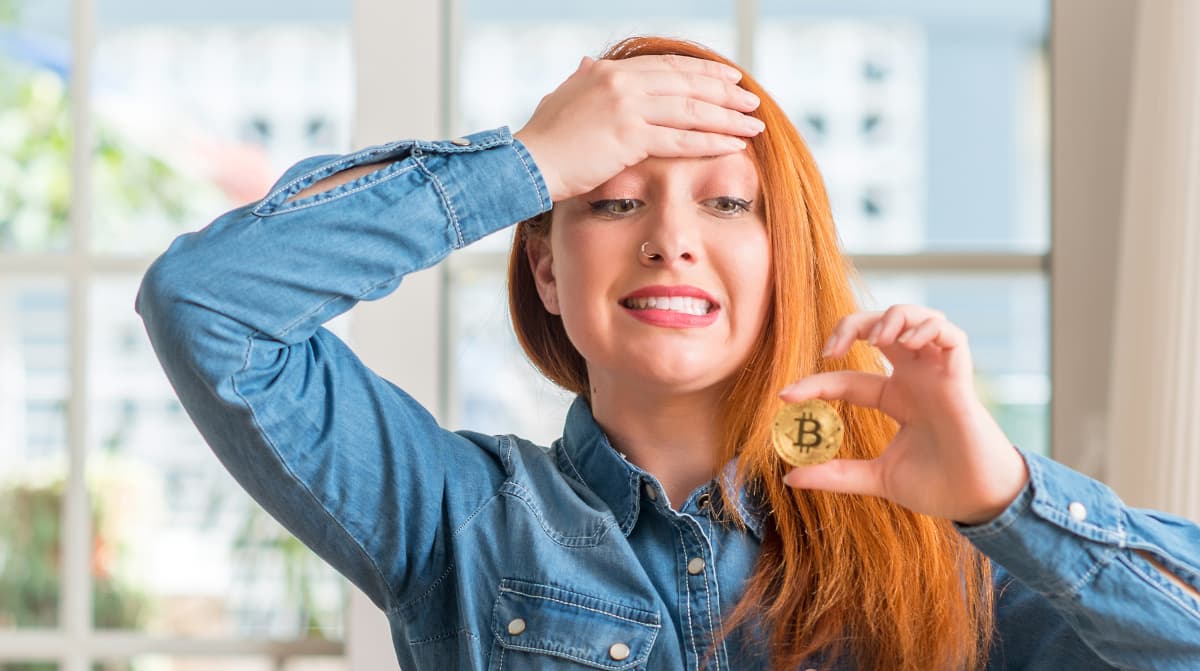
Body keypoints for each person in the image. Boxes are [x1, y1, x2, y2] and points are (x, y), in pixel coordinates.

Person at [136, 36, 1200, 671]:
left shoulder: (936, 531)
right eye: (611, 198)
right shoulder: (463, 516)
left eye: (727, 202)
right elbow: (207, 303)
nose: (671, 237)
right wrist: (528, 158)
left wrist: (1006, 498)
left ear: (786, 263)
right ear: (547, 271)